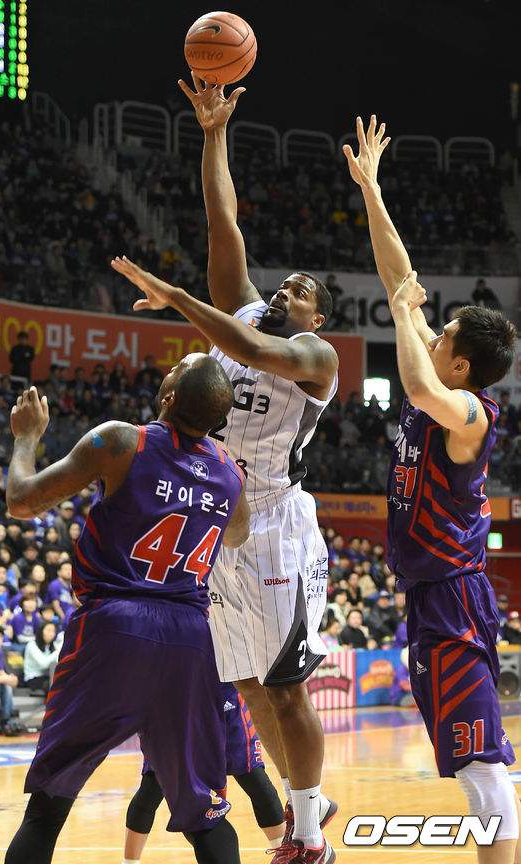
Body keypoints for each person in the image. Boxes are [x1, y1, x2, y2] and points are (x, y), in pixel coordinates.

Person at [111, 73, 340, 864]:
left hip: (276, 525)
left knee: (285, 686)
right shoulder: (243, 312)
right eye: (284, 284)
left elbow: (245, 348)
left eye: (301, 293)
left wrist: (176, 296)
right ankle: (311, 796)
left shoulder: (314, 357)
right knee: (243, 683)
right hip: (219, 522)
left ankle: (307, 833)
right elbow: (223, 219)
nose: (285, 291)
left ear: (319, 318)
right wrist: (214, 134)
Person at [344, 114, 520, 863]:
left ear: (461, 365)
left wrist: (402, 313)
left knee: (482, 767)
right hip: (429, 595)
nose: (432, 332)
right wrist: (372, 190)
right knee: (468, 764)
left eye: (443, 335)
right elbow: (398, 279)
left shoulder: (469, 412)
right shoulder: (443, 377)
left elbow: (415, 378)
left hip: (453, 594)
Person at [4, 355, 250, 864]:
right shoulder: (229, 471)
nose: (171, 367)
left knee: (48, 807)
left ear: (169, 396)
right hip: (189, 639)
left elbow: (22, 502)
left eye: (177, 366)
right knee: (206, 816)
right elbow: (238, 533)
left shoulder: (122, 441)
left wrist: (27, 438)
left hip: (114, 628)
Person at [122, 681, 285, 863]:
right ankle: (129, 861)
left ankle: (285, 853)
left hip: (225, 696)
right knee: (153, 785)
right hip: (173, 698)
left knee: (254, 779)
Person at [0, 622, 18, 731]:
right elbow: (1, 678)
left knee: (7, 685)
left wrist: (10, 678)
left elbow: (0, 672)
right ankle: (8, 721)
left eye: (0, 636)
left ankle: (8, 722)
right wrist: (4, 679)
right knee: (5, 683)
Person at [22, 620, 60, 694]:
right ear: (41, 631)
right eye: (48, 630)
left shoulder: (53, 646)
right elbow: (43, 664)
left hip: (49, 675)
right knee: (53, 685)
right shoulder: (32, 645)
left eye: (53, 631)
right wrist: (57, 652)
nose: (51, 634)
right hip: (33, 678)